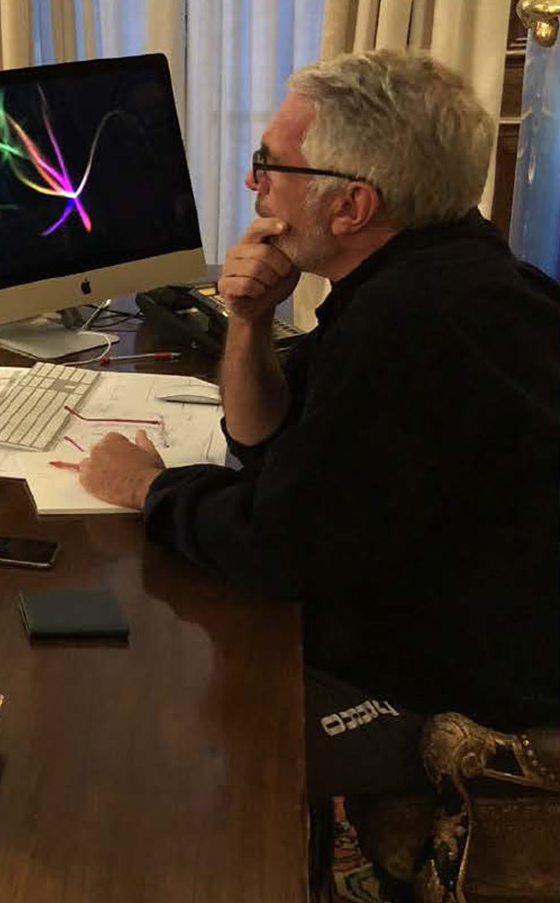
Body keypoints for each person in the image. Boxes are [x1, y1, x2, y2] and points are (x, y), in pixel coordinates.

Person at [75, 49, 560, 800]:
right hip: (460, 630)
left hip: (468, 700)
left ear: (351, 207)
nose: (254, 184)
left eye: (270, 163)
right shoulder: (438, 265)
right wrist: (246, 320)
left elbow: (281, 548)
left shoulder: (411, 323)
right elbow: (267, 444)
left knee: (152, 721)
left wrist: (146, 487)